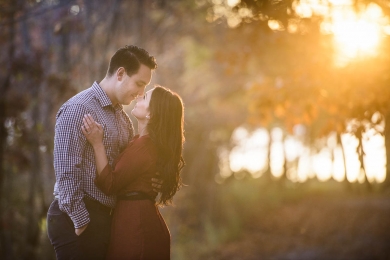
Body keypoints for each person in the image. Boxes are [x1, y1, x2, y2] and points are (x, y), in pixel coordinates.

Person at [47, 45, 161, 260]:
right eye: (139, 84)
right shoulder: (79, 108)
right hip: (76, 218)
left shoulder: (123, 119)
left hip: (104, 220)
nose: (140, 93)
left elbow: (125, 170)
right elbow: (65, 170)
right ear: (120, 73)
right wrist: (81, 220)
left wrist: (151, 181)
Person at [81, 85, 185, 260]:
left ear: (151, 114)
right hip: (137, 220)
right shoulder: (143, 143)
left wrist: (97, 143)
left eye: (144, 98)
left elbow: (109, 183)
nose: (138, 97)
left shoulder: (144, 147)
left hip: (136, 225)